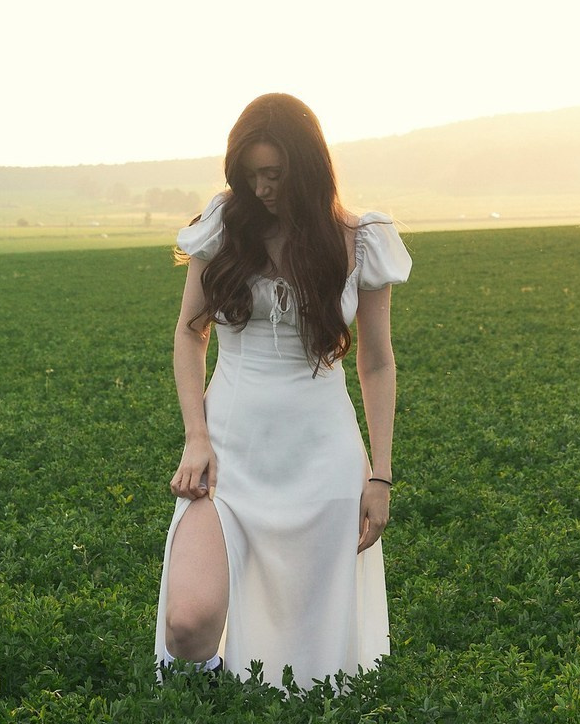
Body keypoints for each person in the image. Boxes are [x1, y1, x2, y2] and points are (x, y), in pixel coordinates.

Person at [154, 93, 412, 688]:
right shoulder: (223, 226)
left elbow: (376, 363)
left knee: (309, 656)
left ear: (307, 166)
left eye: (272, 173)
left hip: (322, 460)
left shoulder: (362, 238)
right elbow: (189, 334)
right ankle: (211, 690)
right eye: (249, 175)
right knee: (188, 624)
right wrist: (196, 437)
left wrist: (380, 474)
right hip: (228, 452)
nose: (261, 189)